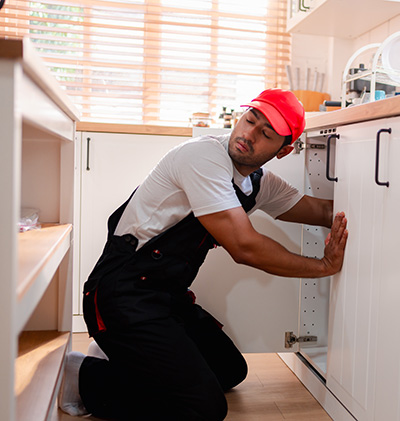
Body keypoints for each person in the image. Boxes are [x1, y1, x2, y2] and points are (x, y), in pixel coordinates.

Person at [59, 88, 348, 421]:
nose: (248, 134)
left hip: (165, 298)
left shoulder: (258, 182)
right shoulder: (203, 157)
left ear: (282, 151)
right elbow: (245, 246)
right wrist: (323, 266)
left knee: (229, 370)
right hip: (121, 297)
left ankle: (124, 355)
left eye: (265, 133)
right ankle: (83, 375)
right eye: (249, 119)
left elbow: (317, 210)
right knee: (202, 408)